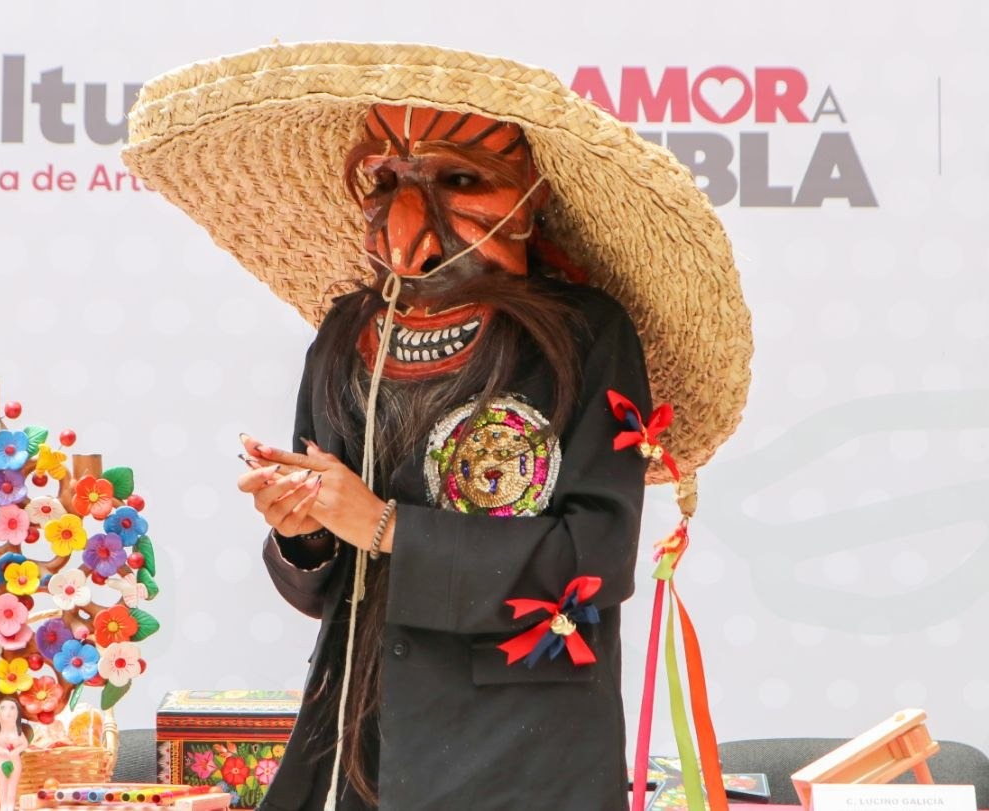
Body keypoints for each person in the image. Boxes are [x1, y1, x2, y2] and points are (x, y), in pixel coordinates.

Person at [124, 42, 751, 811]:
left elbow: (598, 556)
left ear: (533, 196)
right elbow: (329, 587)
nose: (409, 213)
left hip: (525, 756)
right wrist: (305, 531)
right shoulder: (347, 335)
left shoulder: (586, 335)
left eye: (459, 179)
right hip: (365, 744)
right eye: (388, 180)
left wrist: (388, 526)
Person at [0, 698, 29, 811]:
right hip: (1, 762)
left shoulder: (19, 733)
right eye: (3, 708)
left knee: (12, 785)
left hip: (15, 762)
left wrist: (16, 751)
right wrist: (2, 751)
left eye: (12, 708)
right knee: (2, 785)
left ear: (18, 712)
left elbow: (24, 744)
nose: (8, 712)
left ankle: (10, 805)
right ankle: (3, 806)